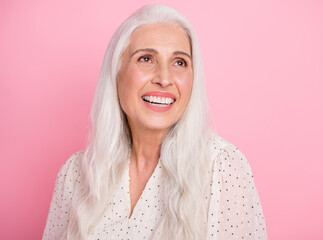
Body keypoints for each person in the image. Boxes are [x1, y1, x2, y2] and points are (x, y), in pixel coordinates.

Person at [43, 4, 267, 240]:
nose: (164, 78)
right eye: (146, 59)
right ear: (116, 73)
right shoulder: (76, 174)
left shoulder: (222, 168)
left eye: (179, 62)